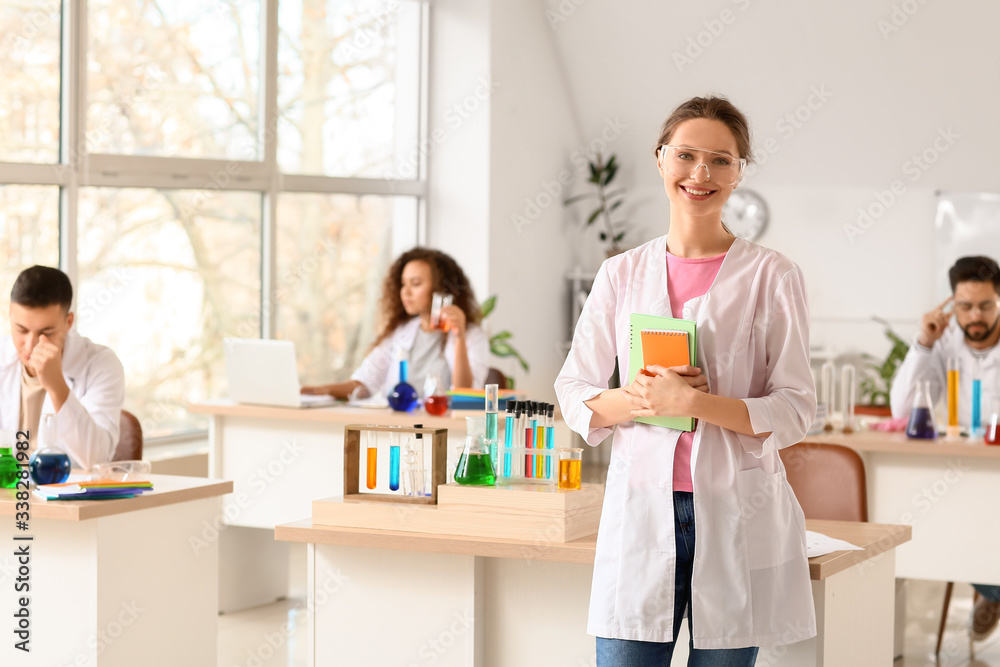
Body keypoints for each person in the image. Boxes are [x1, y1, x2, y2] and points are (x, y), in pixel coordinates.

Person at [555, 96, 817, 665]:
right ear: (659, 160)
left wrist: (696, 403)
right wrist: (641, 397)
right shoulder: (619, 273)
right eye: (687, 155)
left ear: (739, 171)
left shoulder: (772, 276)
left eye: (721, 160)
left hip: (734, 511)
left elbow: (796, 409)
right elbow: (574, 390)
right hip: (642, 509)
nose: (701, 174)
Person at [889, 255, 1000, 641]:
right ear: (952, 304)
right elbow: (901, 409)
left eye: (985, 305)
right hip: (964, 471)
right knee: (953, 521)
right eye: (965, 306)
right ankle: (993, 588)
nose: (975, 316)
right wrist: (924, 342)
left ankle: (992, 588)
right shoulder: (946, 339)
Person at [302, 247, 490, 400]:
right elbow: (364, 383)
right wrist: (316, 391)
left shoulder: (472, 337)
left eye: (415, 284)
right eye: (403, 284)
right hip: (401, 427)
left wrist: (459, 337)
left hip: (445, 430)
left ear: (441, 289)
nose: (405, 292)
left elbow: (466, 395)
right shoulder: (402, 333)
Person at [0, 266, 125, 471]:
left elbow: (97, 460)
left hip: (66, 497)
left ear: (68, 322)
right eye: (21, 329)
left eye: (46, 332)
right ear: (10, 314)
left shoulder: (101, 364)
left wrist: (57, 386)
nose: (30, 345)